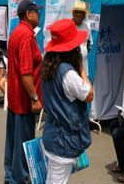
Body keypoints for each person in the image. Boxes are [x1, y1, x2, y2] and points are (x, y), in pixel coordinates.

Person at [41, 18, 94, 184]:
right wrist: (81, 68)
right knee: (57, 180)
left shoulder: (48, 64)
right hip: (63, 140)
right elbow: (89, 94)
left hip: (53, 133)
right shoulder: (67, 73)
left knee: (53, 178)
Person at [4, 0, 43, 184]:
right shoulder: (26, 36)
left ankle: (10, 175)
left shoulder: (16, 32)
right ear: (29, 14)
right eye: (37, 11)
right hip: (24, 100)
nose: (39, 14)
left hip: (15, 98)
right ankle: (18, 179)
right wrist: (34, 98)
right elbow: (26, 73)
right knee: (23, 142)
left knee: (13, 141)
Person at [70, 0, 93, 75]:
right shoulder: (68, 25)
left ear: (85, 14)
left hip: (84, 67)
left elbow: (89, 44)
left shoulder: (87, 26)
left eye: (81, 12)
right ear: (73, 13)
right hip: (70, 68)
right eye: (77, 12)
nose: (79, 15)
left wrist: (83, 53)